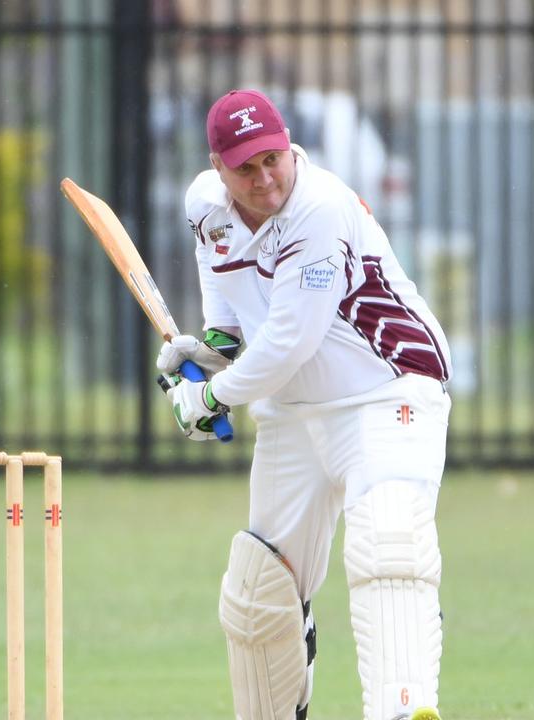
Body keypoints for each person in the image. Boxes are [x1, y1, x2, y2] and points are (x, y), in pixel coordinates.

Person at [157, 88, 451, 720]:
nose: (264, 180)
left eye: (272, 160)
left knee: (387, 545)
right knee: (259, 587)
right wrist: (217, 344)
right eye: (245, 168)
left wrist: (206, 397)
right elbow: (224, 278)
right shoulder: (204, 205)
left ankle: (404, 710)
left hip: (388, 387)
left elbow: (289, 342)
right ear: (218, 168)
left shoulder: (320, 209)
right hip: (295, 408)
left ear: (289, 146)